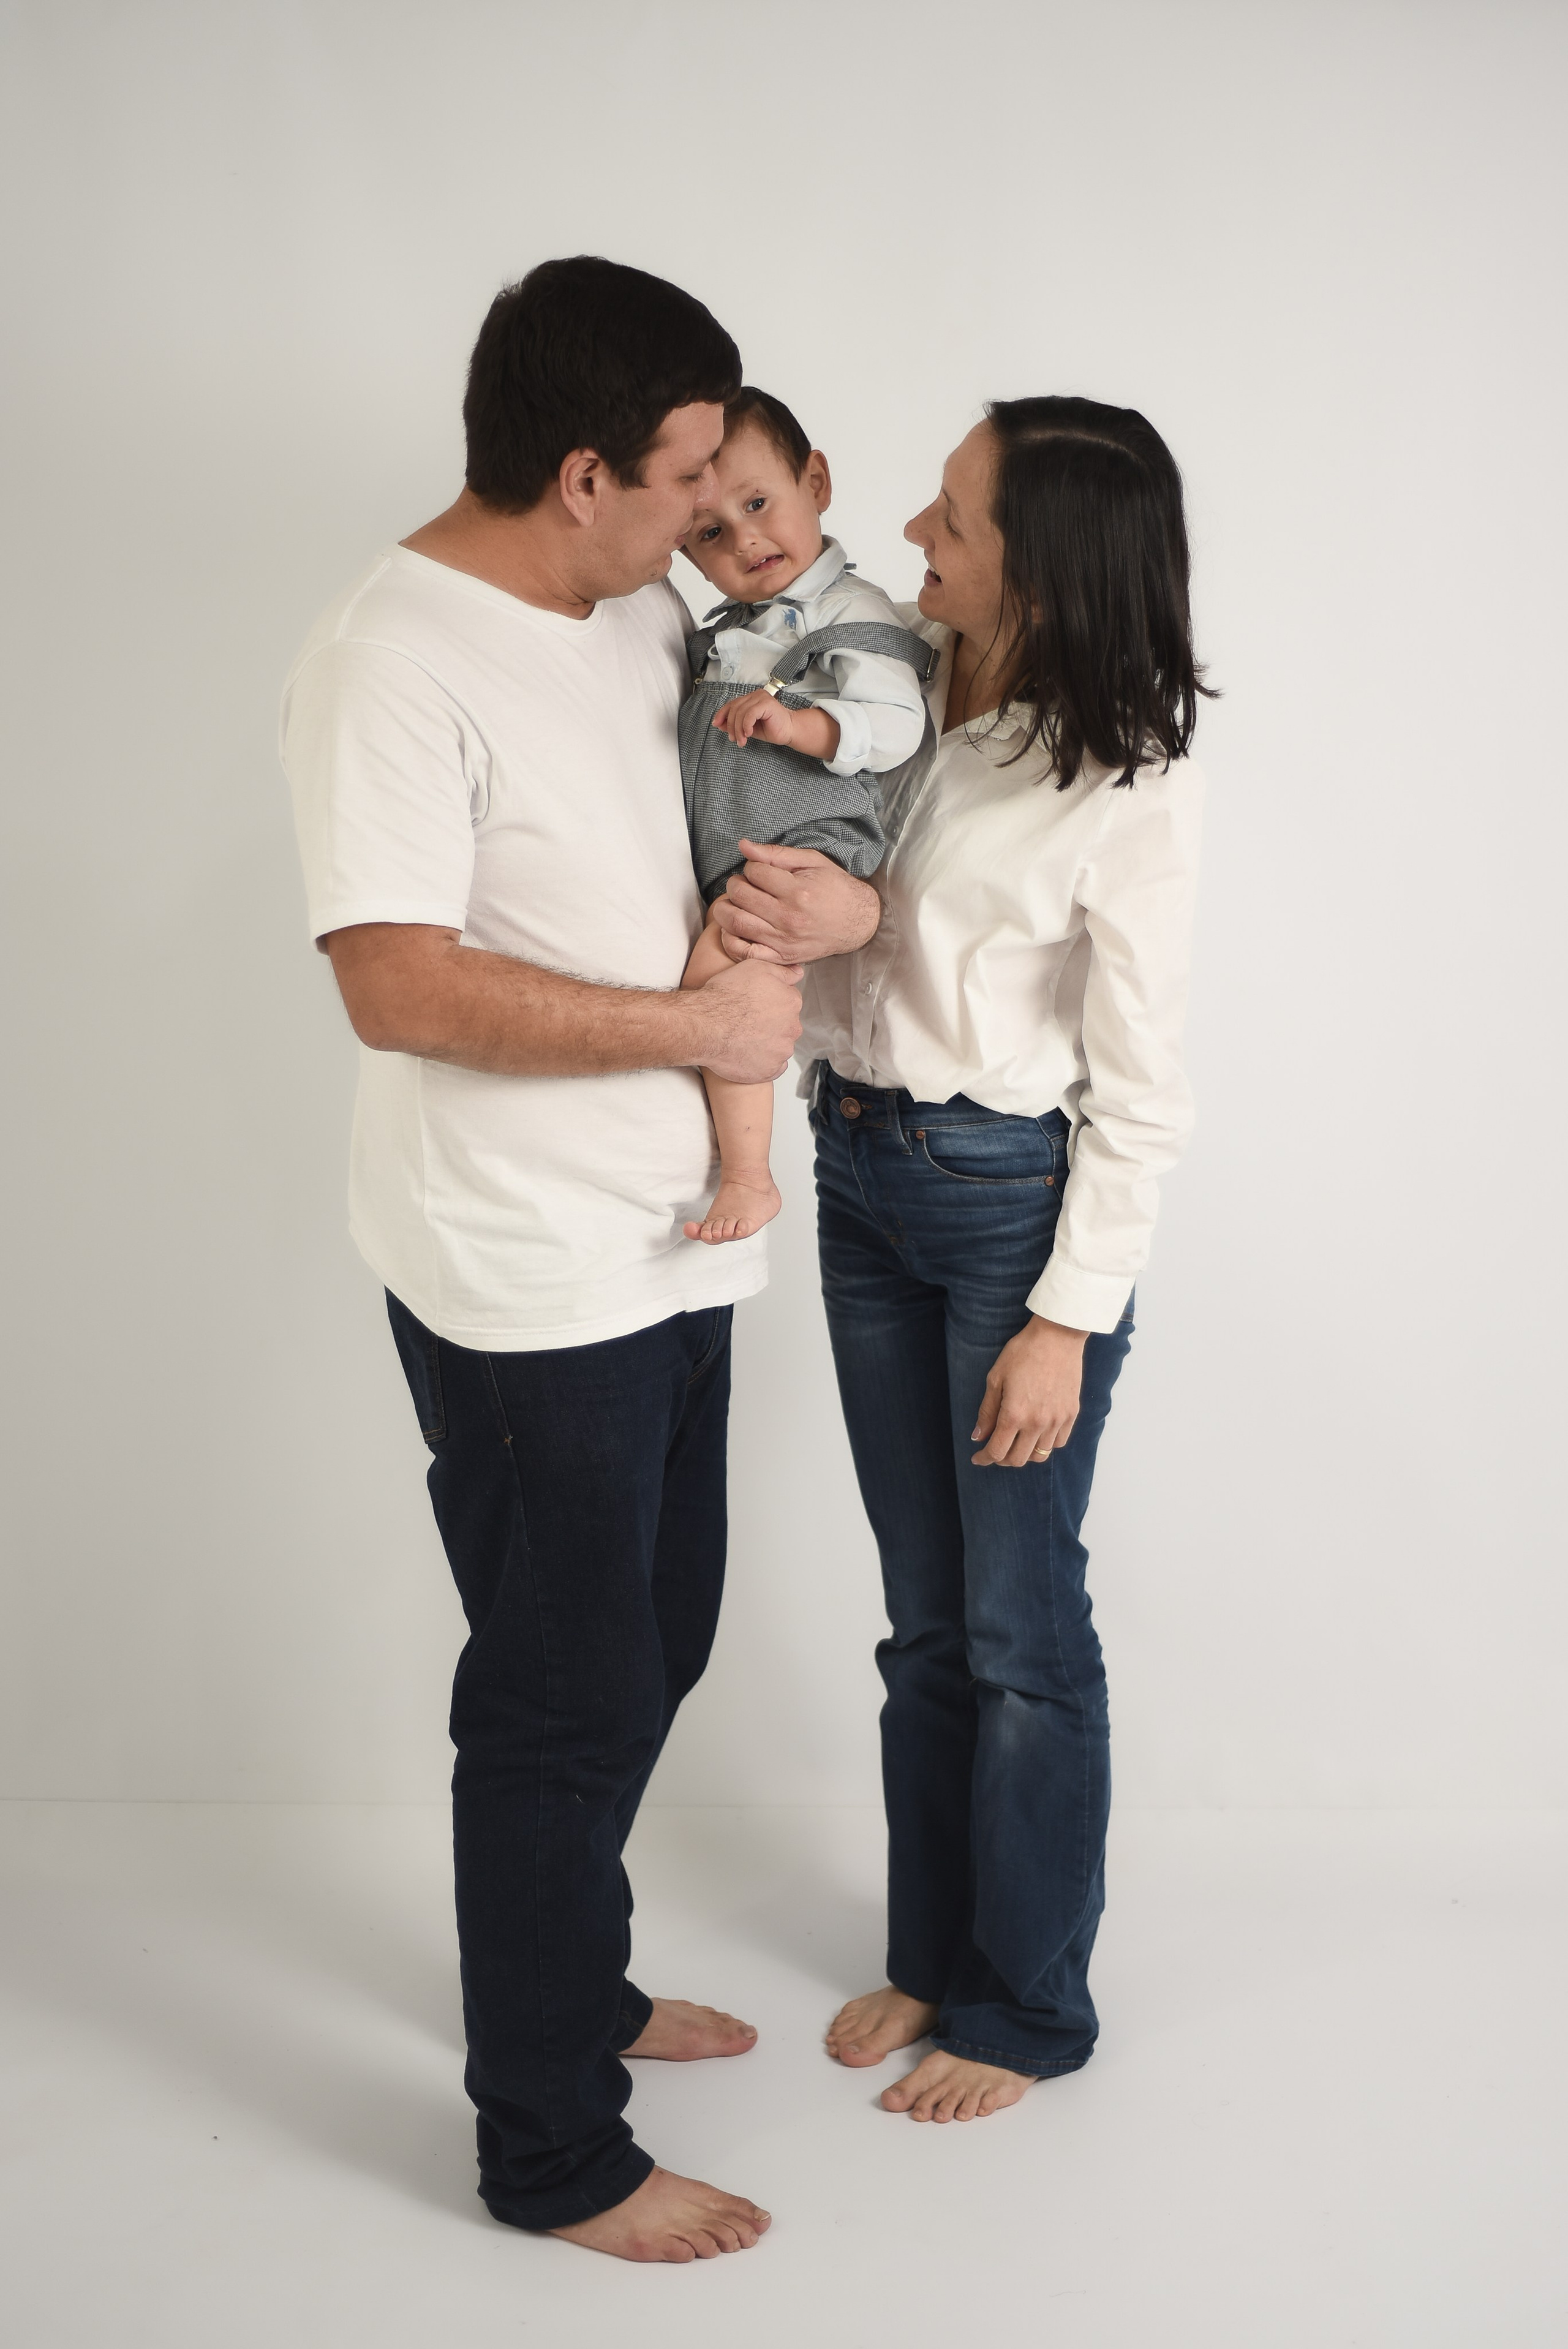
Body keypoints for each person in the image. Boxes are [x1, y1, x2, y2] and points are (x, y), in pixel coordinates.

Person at [279, 258, 871, 2261]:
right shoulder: (393, 651)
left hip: (668, 1244)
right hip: (528, 1272)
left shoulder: (618, 615)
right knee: (561, 1698)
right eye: (686, 476)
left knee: (656, 1642)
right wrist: (694, 1037)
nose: (710, 515)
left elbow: (729, 821)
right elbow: (395, 982)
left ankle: (572, 1974)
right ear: (582, 470)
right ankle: (553, 2143)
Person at [707, 398, 1207, 2125]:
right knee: (925, 1627)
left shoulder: (1124, 785)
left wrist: (1067, 1321)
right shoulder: (901, 675)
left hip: (1009, 1212)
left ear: (1048, 574)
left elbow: (1145, 1094)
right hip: (862, 1179)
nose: (917, 529)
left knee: (1020, 1631)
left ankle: (1026, 2006)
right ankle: (936, 1951)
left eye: (958, 516)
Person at [674, 386, 932, 1245]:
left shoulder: (849, 609)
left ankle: (749, 1178)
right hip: (745, 837)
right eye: (711, 532)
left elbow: (896, 729)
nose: (746, 539)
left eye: (758, 504)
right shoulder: (726, 627)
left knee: (731, 973)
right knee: (718, 971)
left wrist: (804, 725)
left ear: (815, 481)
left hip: (810, 838)